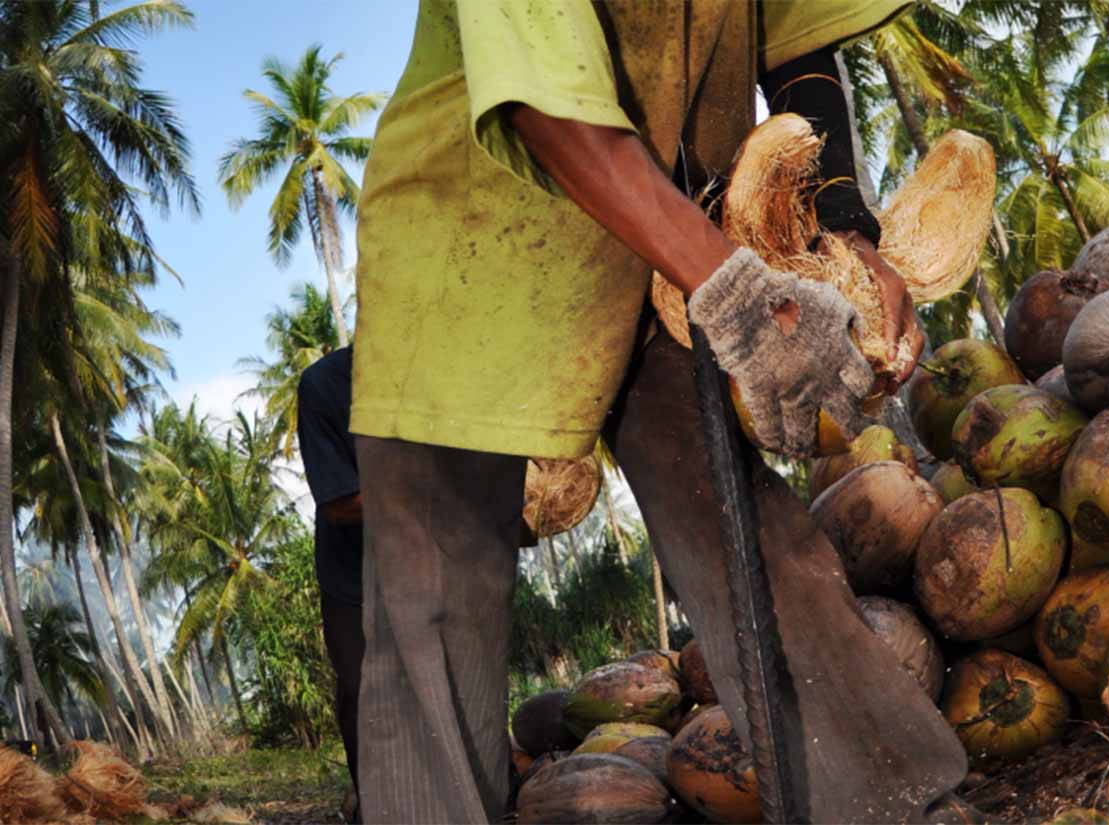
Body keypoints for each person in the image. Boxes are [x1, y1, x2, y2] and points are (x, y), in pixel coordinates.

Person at [349, 2, 976, 822]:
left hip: (667, 243)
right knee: (433, 598)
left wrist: (846, 229)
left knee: (747, 535)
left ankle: (898, 801)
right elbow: (544, 102)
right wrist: (740, 295)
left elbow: (796, 48)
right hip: (472, 247)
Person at [296, 345, 364, 824]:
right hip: (355, 577)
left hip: (435, 566)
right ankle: (377, 802)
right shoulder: (324, 384)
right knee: (364, 693)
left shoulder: (438, 371)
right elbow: (340, 503)